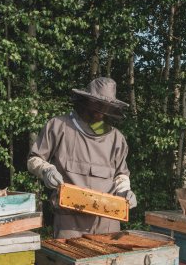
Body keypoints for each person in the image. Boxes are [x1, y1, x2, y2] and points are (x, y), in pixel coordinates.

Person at [27, 77, 137, 238]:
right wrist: (46, 170)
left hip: (108, 222)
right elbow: (33, 159)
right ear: (86, 100)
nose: (100, 111)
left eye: (105, 107)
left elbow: (121, 174)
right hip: (69, 222)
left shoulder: (117, 139)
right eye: (97, 104)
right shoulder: (59, 126)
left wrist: (125, 192)